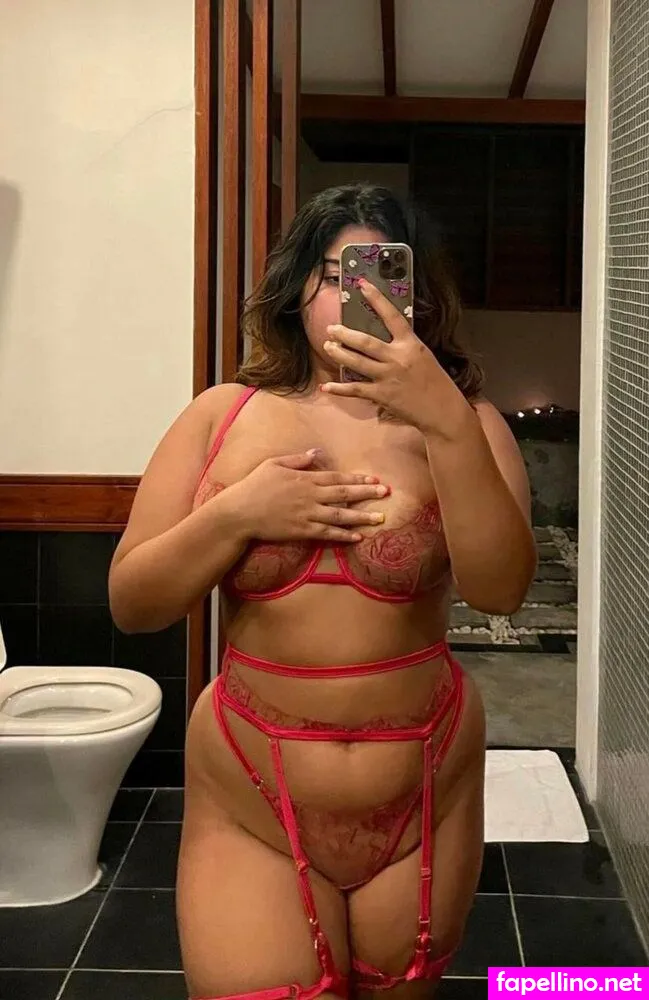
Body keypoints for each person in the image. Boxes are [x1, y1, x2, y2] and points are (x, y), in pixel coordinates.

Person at [109, 184, 536, 1000]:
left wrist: (444, 420)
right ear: (296, 286)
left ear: (418, 295)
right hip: (251, 792)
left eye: (381, 276)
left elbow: (500, 591)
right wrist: (239, 513)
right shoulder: (220, 417)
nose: (356, 296)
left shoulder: (467, 422)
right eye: (337, 275)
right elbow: (134, 605)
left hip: (422, 785)